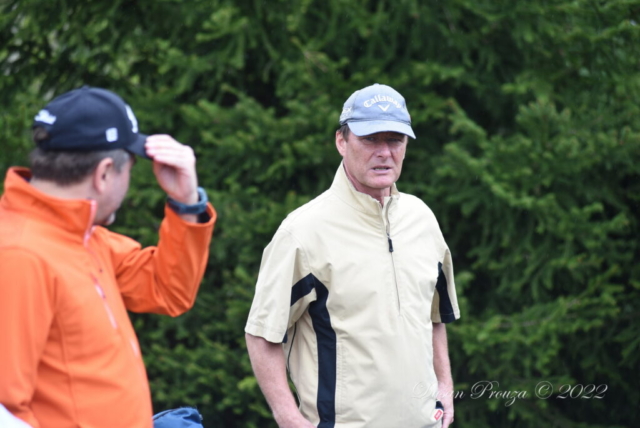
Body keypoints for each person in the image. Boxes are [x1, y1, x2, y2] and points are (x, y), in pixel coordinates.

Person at [245, 83, 460, 428]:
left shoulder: (422, 220)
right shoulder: (302, 232)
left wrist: (445, 385)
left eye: (395, 140)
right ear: (341, 142)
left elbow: (435, 317)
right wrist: (288, 418)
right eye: (370, 139)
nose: (384, 152)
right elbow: (261, 333)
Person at [0, 86, 216, 428]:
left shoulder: (82, 237)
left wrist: (187, 203)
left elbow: (167, 289)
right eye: (129, 168)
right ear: (103, 174)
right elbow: (6, 411)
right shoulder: (19, 256)